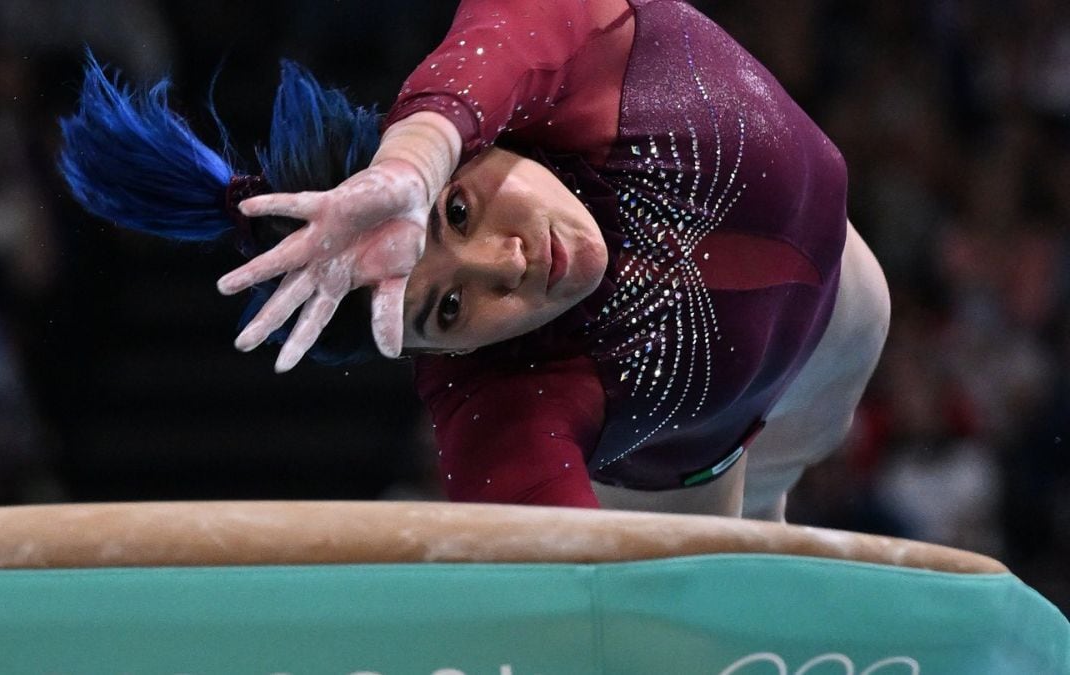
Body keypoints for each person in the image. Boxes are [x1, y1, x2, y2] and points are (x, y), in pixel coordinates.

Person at [61, 0, 890, 521]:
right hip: (689, 470)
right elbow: (557, 607)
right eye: (449, 312)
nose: (506, 266)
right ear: (443, 359)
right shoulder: (503, 396)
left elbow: (488, 54)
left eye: (457, 209)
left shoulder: (575, 55)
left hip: (840, 323)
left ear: (476, 142)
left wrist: (410, 165)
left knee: (790, 465)